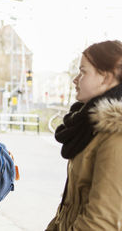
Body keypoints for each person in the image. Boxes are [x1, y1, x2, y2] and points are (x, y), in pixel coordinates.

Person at [46, 40, 122, 230]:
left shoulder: (115, 136)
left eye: (83, 72)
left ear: (105, 77)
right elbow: (69, 209)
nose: (75, 79)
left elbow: (101, 223)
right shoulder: (89, 127)